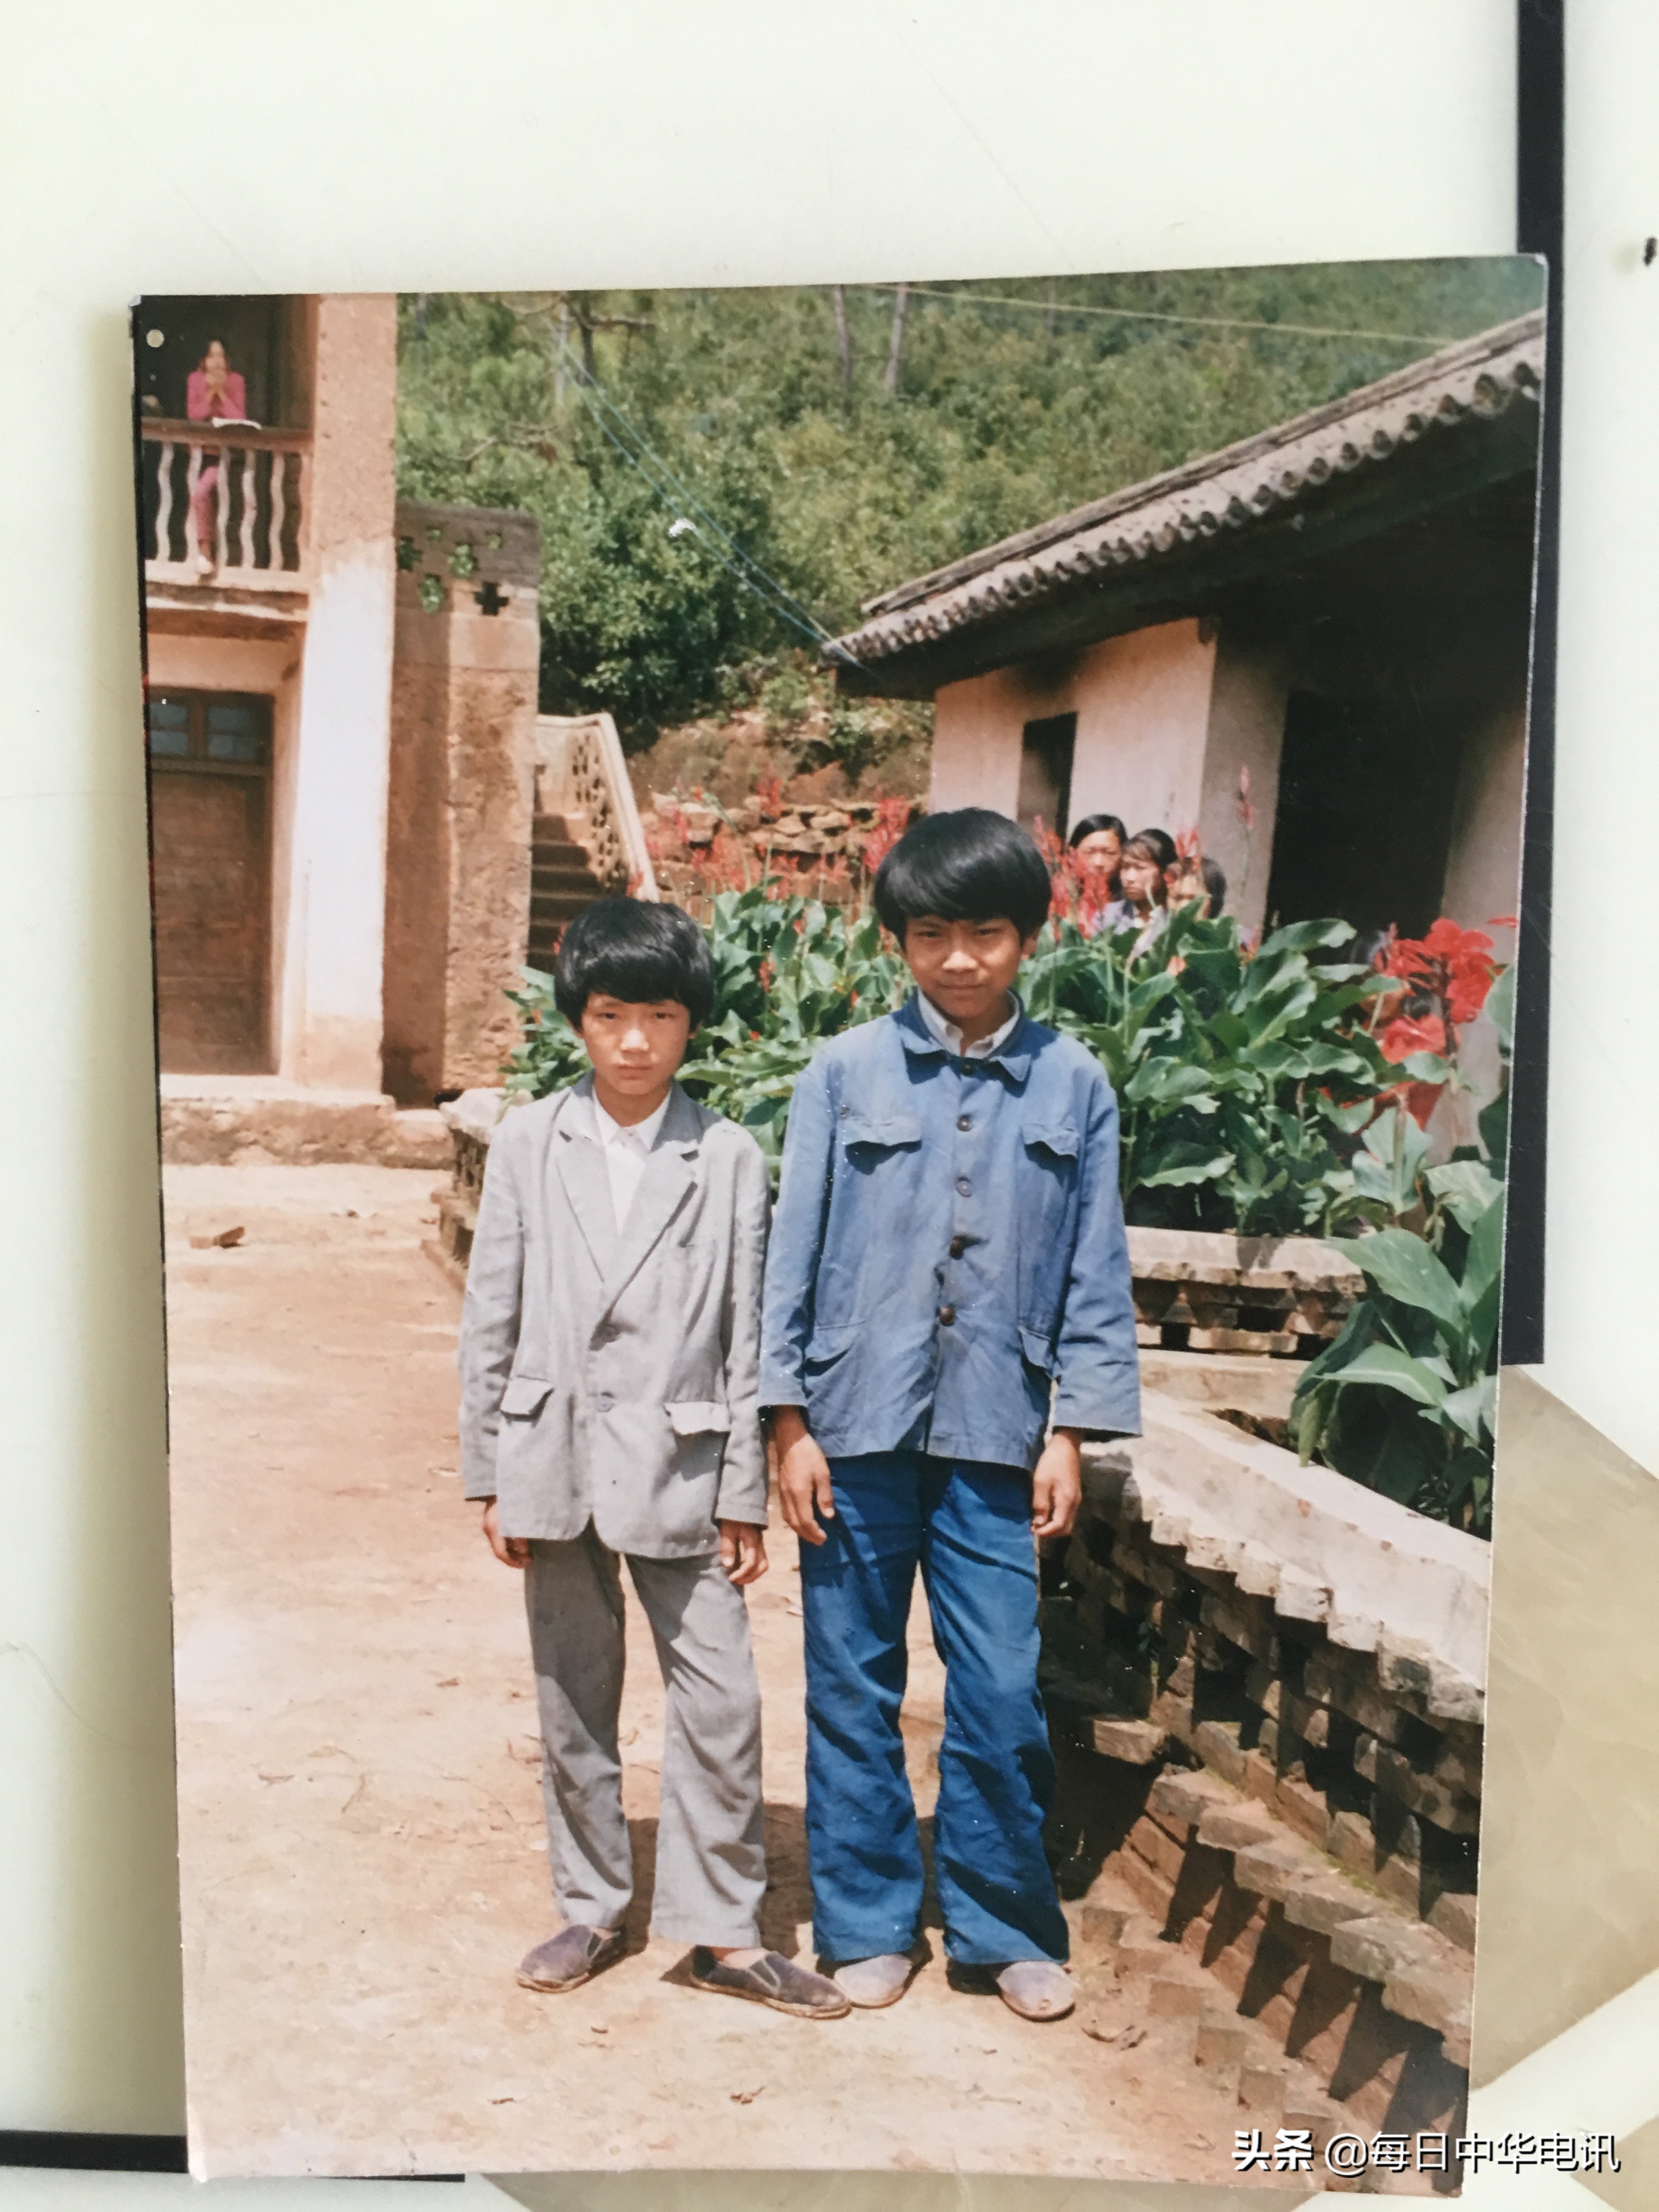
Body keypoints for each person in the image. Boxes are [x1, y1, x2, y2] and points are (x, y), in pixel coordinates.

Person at [759, 809, 1141, 2023]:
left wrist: (1072, 1428)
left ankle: (1003, 1927)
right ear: (899, 942)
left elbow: (1094, 1267)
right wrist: (786, 1422)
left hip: (997, 1437)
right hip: (853, 1426)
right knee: (851, 1684)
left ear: (1028, 937)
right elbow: (792, 1253)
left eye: (986, 933)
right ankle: (867, 1922)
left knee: (996, 1690)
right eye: (934, 934)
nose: (961, 960)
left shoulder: (1074, 1083)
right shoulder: (841, 1074)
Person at [459, 899, 849, 2021]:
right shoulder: (533, 1140)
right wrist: (488, 1470)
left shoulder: (724, 1155)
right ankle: (590, 1903)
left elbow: (745, 1332)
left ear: (693, 1027)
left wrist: (742, 1494)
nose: (635, 1040)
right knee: (573, 1695)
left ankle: (724, 1932)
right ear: (579, 1019)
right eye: (611, 1013)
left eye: (661, 1016)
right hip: (554, 1457)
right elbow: (493, 1309)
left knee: (721, 1699)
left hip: (684, 1469)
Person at [185, 339, 251, 575]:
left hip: (223, 455)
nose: (217, 362)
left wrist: (222, 394)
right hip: (198, 453)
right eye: (212, 356)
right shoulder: (195, 380)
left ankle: (206, 554)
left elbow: (239, 417)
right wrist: (209, 393)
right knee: (200, 498)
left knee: (202, 493)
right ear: (203, 360)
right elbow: (194, 415)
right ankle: (204, 552)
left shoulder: (236, 382)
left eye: (221, 356)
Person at [1099, 831, 1171, 952]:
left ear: (1164, 871)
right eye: (1126, 867)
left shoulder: (1175, 920)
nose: (1130, 878)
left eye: (1140, 868)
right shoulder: (1107, 917)